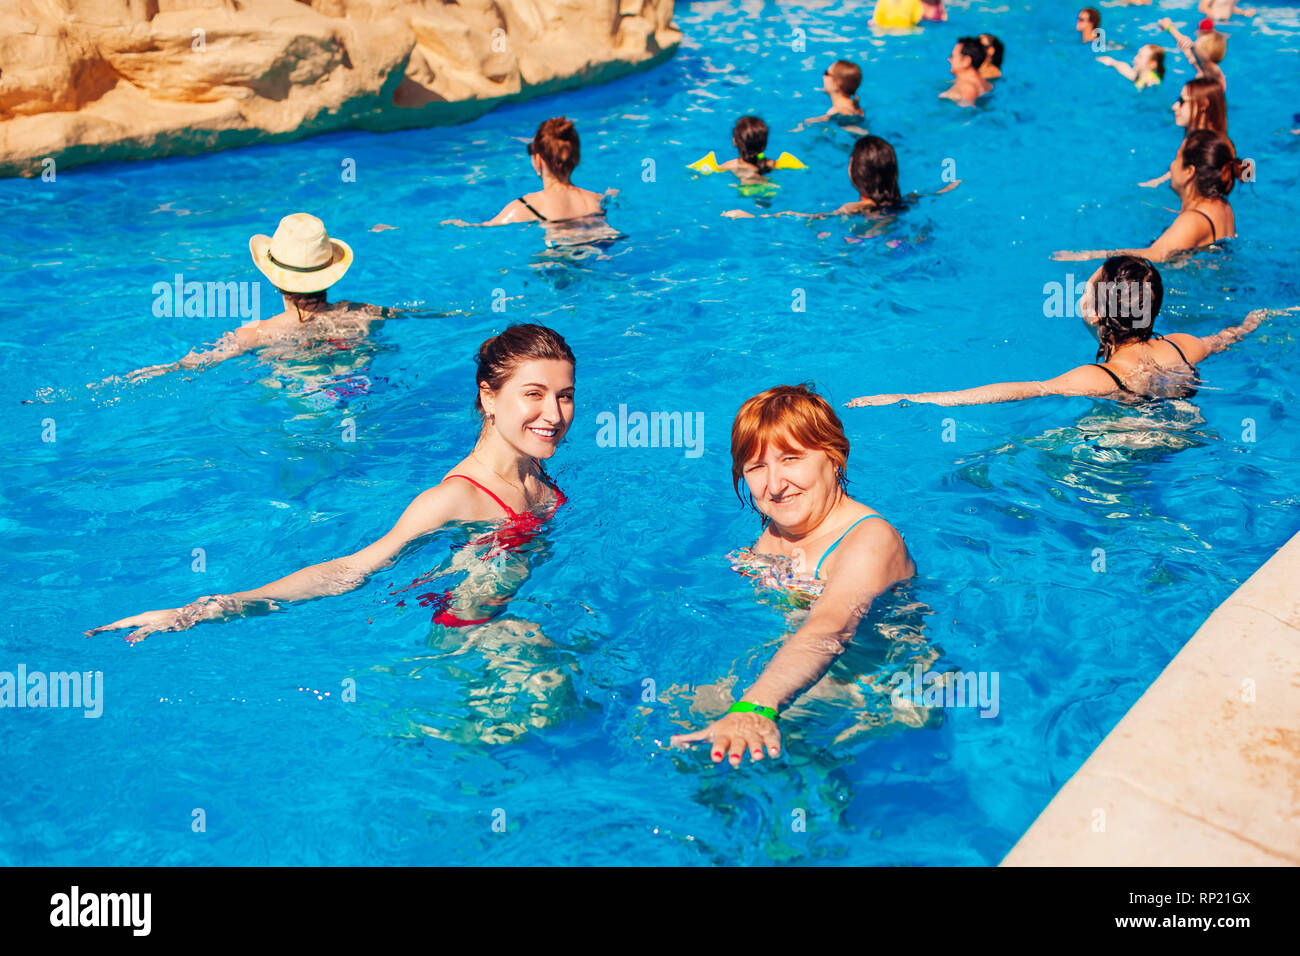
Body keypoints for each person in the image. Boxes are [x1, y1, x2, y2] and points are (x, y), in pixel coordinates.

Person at [87, 324, 576, 642]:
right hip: (474, 641)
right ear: (488, 398)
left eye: (565, 396)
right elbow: (349, 569)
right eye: (533, 394)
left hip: (514, 618)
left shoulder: (533, 469)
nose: (553, 414)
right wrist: (214, 607)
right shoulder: (456, 497)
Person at [669, 385, 915, 765]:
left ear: (834, 457)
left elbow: (830, 627)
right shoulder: (776, 533)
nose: (775, 484)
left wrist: (758, 706)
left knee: (709, 745)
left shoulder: (869, 542)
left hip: (881, 683)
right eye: (756, 467)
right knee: (669, 710)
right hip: (806, 666)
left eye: (790, 459)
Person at [846, 256, 1290, 407]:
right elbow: (1231, 335)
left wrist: (910, 397)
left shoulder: (1098, 378)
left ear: (1099, 315)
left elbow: (1016, 390)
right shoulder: (1184, 347)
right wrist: (1258, 319)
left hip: (1125, 455)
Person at [114, 213, 386, 383]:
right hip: (361, 388)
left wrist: (162, 370)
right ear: (331, 272)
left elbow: (200, 362)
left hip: (310, 402)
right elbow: (422, 314)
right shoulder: (367, 312)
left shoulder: (256, 332)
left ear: (274, 279)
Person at [1054, 129, 1242, 261]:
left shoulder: (1192, 221)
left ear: (1189, 172)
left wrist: (1089, 256)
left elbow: (1155, 255)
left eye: (1177, 158)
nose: (1171, 166)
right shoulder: (1223, 207)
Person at [722, 134, 955, 219]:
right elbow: (931, 192)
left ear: (855, 174)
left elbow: (804, 217)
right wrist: (952, 185)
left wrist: (751, 216)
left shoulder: (853, 209)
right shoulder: (906, 201)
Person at [446, 117, 607, 226]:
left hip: (558, 265)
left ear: (538, 159)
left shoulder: (527, 206)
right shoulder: (597, 201)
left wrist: (457, 225)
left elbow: (485, 228)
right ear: (576, 158)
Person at [1139, 77, 1228, 188]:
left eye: (1182, 101)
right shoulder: (1198, 140)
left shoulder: (1203, 149)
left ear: (1203, 105)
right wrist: (1157, 182)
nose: (1174, 106)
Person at [800, 61, 868, 134]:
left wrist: (806, 124)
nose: (823, 76)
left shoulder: (836, 111)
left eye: (826, 73)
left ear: (837, 85)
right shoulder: (857, 108)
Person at [1160, 19, 1227, 90]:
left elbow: (1199, 55)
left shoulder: (1214, 72)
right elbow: (1186, 48)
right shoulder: (1201, 67)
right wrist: (1170, 28)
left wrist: (1192, 46)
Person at [940, 37, 993, 106]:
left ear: (966, 61)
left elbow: (966, 113)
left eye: (952, 56)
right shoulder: (984, 82)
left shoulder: (967, 88)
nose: (949, 59)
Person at [1097, 44, 1165, 88]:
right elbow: (1125, 68)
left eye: (1140, 56)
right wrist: (1112, 62)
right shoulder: (1138, 77)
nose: (1135, 58)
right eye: (1137, 54)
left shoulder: (1151, 82)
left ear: (1152, 64)